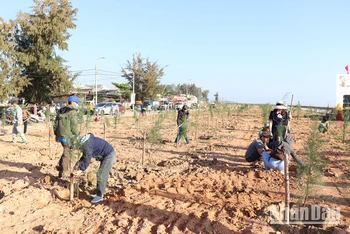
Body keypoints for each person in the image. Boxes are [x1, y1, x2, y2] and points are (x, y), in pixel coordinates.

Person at [73, 133, 116, 203]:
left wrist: (80, 170)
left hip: (109, 155)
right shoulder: (85, 141)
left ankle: (99, 196)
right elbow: (84, 157)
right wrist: (77, 166)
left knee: (101, 174)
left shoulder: (87, 145)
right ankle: (98, 193)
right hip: (105, 155)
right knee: (101, 173)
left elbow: (87, 159)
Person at [54, 95, 80, 178]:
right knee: (67, 153)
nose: (77, 104)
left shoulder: (61, 110)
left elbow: (55, 124)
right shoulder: (72, 112)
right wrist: (76, 135)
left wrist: (56, 134)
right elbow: (74, 125)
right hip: (68, 135)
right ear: (72, 102)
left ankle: (60, 167)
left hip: (60, 134)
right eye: (76, 102)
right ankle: (63, 173)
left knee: (66, 151)